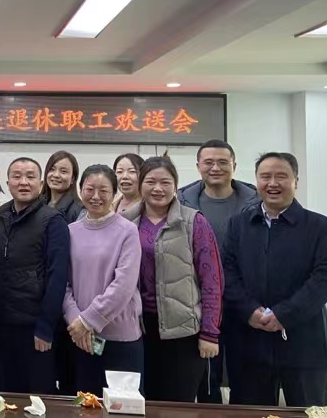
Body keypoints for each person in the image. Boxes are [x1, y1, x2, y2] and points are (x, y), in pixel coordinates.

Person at [224, 152, 327, 407]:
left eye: (281, 176)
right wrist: (250, 311)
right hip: (249, 342)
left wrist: (283, 315)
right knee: (249, 412)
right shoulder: (238, 225)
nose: (272, 183)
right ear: (256, 181)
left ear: (295, 181)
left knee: (308, 411)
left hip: (304, 345)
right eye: (265, 176)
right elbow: (228, 274)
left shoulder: (321, 227)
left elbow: (326, 279)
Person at [124, 155, 222, 402]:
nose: (158, 188)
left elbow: (212, 280)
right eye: (151, 182)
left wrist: (210, 333)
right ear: (140, 185)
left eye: (165, 182)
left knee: (177, 404)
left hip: (183, 332)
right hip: (137, 329)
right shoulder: (125, 222)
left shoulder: (194, 221)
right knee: (140, 403)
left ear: (175, 186)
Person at [177, 139, 258, 403]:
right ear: (198, 166)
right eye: (208, 162)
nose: (215, 168)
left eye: (223, 162)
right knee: (207, 375)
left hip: (243, 300)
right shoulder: (183, 201)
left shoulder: (254, 201)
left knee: (245, 374)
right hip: (201, 300)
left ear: (234, 165)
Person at [0, 157, 70, 394]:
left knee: (38, 397)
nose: (23, 182)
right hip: (3, 325)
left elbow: (58, 277)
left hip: (35, 327)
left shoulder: (53, 221)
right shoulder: (0, 219)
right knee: (5, 393)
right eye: (17, 176)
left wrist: (46, 326)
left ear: (40, 183)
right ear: (7, 183)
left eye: (30, 176)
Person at [63, 165, 143, 394]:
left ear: (114, 193)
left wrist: (88, 320)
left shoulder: (127, 231)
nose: (96, 196)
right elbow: (63, 284)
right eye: (90, 189)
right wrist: (76, 321)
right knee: (84, 405)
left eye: (104, 191)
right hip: (80, 337)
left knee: (121, 406)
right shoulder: (70, 231)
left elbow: (124, 285)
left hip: (120, 338)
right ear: (80, 190)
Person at [40, 150, 82, 395]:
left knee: (66, 370)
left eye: (64, 171)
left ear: (73, 178)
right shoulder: (39, 204)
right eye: (53, 169)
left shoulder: (77, 210)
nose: (56, 175)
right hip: (43, 292)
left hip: (66, 292)